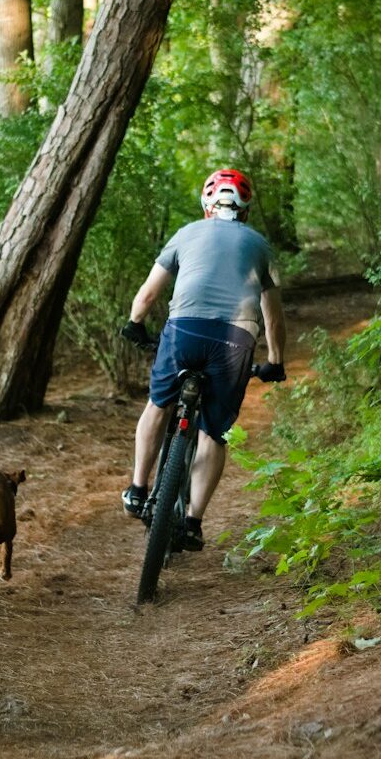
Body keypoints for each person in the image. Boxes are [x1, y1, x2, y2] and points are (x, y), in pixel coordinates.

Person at [119, 168, 287, 551]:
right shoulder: (259, 245)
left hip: (185, 332)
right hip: (235, 339)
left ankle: (137, 488)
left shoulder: (186, 234)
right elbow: (273, 315)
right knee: (215, 432)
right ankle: (193, 522)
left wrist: (135, 324)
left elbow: (147, 295)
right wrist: (275, 362)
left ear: (207, 207)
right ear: (245, 211)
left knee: (158, 405)